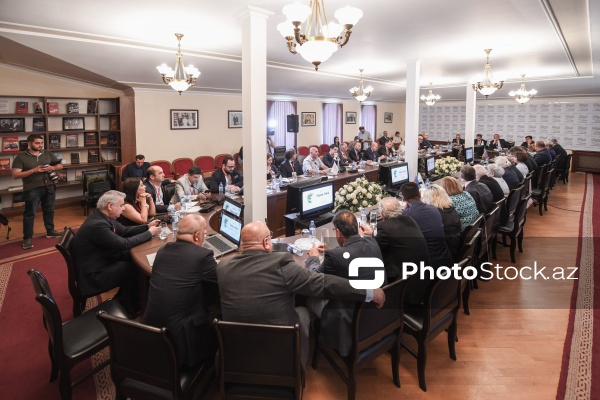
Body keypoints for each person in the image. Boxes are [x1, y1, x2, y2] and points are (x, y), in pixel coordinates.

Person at [216, 221, 385, 368]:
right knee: (303, 311)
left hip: (236, 354)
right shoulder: (281, 264)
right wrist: (368, 291)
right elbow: (325, 283)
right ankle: (300, 367)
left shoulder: (222, 267)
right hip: (281, 353)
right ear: (267, 243)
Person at [143, 214, 219, 368]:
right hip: (180, 342)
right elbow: (221, 281)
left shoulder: (162, 250)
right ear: (196, 236)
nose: (205, 235)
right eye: (204, 232)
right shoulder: (203, 256)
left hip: (151, 333)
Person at [305, 211, 385, 356]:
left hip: (348, 317)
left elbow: (314, 278)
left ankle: (320, 338)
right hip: (375, 315)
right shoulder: (372, 242)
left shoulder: (335, 256)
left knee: (309, 299)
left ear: (339, 232)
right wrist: (332, 251)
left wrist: (313, 258)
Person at [71, 190, 161, 315]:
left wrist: (147, 226)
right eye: (121, 205)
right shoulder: (98, 225)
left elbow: (124, 231)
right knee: (135, 268)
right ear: (110, 206)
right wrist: (149, 233)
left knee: (132, 259)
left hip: (101, 259)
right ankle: (131, 305)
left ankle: (129, 300)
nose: (123, 208)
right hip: (93, 275)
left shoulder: (101, 215)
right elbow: (123, 244)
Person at [361, 197, 431, 286]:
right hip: (424, 274)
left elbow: (374, 248)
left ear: (382, 215)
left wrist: (362, 237)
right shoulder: (409, 219)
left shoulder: (384, 226)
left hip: (404, 281)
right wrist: (372, 234)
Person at [11, 134, 63, 249]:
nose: (40, 145)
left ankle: (50, 231)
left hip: (49, 187)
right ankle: (27, 238)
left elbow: (60, 165)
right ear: (29, 143)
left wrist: (52, 168)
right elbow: (15, 175)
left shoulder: (47, 153)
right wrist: (34, 170)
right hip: (31, 189)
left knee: (49, 210)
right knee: (30, 214)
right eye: (37, 143)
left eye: (41, 143)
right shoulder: (20, 157)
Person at [401, 182, 454, 271]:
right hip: (445, 259)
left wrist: (405, 210)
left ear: (403, 199)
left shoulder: (406, 215)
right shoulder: (434, 208)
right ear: (420, 194)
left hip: (427, 267)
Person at [420, 184, 462, 261]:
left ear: (428, 199)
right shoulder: (450, 207)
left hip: (446, 253)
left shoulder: (436, 214)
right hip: (456, 247)